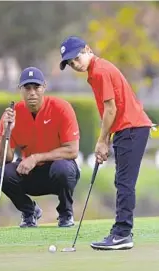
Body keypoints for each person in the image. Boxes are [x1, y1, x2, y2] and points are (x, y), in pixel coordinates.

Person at [59, 36, 152, 250]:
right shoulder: (96, 71)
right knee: (122, 182)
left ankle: (122, 233)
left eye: (76, 58)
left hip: (132, 128)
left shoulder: (99, 72)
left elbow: (111, 109)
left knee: (124, 183)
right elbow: (112, 110)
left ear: (88, 49)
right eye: (70, 63)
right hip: (128, 128)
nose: (75, 64)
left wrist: (102, 141)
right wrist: (107, 140)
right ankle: (122, 231)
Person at [0, 67, 80, 228]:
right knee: (3, 174)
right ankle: (29, 211)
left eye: (36, 87)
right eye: (27, 88)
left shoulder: (61, 108)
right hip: (30, 173)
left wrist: (36, 157)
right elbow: (2, 160)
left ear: (44, 87)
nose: (32, 92)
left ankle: (65, 213)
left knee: (63, 169)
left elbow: (72, 150)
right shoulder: (12, 115)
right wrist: (5, 132)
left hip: (58, 170)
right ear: (21, 90)